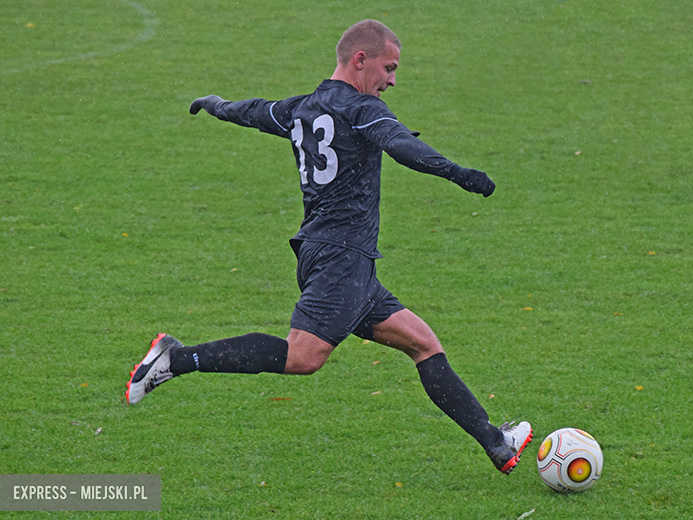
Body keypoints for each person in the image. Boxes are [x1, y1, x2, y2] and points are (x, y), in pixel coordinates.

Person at [125, 19, 532, 474]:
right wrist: (461, 175)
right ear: (361, 60)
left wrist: (217, 105)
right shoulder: (362, 109)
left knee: (422, 344)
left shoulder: (303, 109)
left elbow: (256, 112)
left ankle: (497, 443)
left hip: (334, 257)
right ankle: (175, 359)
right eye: (389, 68)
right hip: (342, 259)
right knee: (303, 356)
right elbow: (400, 146)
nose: (392, 80)